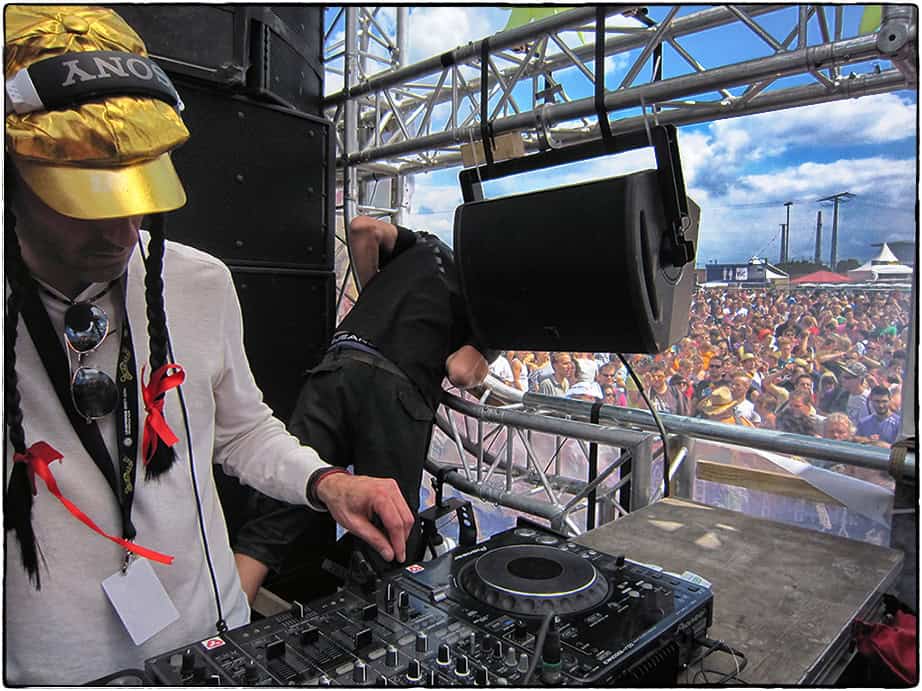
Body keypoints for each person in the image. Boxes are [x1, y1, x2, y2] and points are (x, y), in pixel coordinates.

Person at [3, 8, 412, 684]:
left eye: (136, 191)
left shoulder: (202, 283)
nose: (121, 229)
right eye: (83, 195)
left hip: (213, 640)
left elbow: (242, 428)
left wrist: (327, 481)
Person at [233, 216, 492, 601]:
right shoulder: (485, 301)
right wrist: (486, 353)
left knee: (275, 517)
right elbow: (459, 371)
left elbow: (362, 228)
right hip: (396, 389)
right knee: (389, 534)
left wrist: (373, 294)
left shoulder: (427, 245)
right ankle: (375, 647)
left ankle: (218, 641)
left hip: (337, 365)